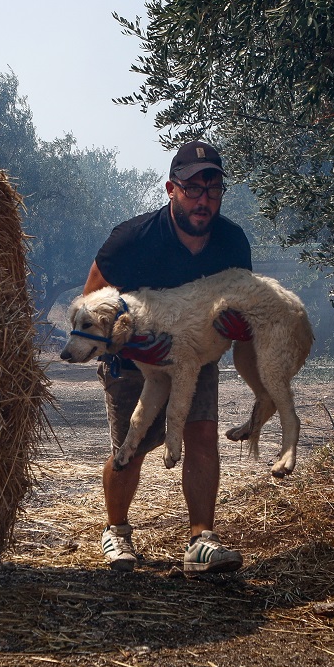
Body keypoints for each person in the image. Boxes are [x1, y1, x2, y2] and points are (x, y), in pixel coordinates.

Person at [82, 140, 260, 573]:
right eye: (193, 190)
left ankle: (201, 539)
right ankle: (117, 531)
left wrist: (240, 327)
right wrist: (135, 344)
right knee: (135, 445)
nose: (203, 201)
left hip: (193, 358)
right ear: (170, 189)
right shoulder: (131, 239)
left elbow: (244, 303)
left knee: (201, 436)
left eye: (213, 190)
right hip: (131, 359)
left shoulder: (232, 241)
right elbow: (90, 302)